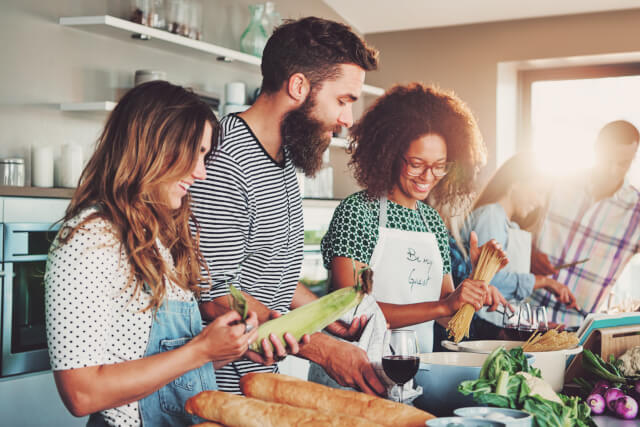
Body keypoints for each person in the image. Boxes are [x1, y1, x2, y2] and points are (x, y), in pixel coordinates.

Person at [45, 81, 260, 427]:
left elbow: (167, 368)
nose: (201, 173)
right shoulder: (89, 238)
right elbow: (81, 394)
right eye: (196, 152)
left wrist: (229, 346)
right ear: (155, 146)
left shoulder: (161, 238)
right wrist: (200, 350)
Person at [189, 17, 385, 395]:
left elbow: (267, 269)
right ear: (299, 86)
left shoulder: (281, 160)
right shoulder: (225, 161)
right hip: (214, 393)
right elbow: (216, 295)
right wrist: (325, 350)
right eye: (343, 100)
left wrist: (326, 315)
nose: (347, 119)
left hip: (257, 385)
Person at [320, 83, 509, 355]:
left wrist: (474, 287)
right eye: (417, 164)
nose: (428, 176)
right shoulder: (358, 213)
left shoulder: (432, 222)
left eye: (439, 165)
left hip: (412, 371)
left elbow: (445, 316)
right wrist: (444, 306)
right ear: (388, 154)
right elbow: (349, 311)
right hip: (351, 372)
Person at [528, 120, 640, 327]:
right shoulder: (558, 182)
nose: (612, 170)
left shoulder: (636, 211)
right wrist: (527, 253)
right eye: (607, 159)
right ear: (596, 149)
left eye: (622, 163)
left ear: (633, 160)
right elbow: (516, 225)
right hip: (522, 315)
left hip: (577, 329)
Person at [458, 152, 578, 338]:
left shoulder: (508, 224)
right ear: (515, 183)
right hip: (480, 329)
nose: (539, 202)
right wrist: (544, 281)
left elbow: (505, 296)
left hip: (496, 327)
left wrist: (531, 323)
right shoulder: (491, 216)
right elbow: (487, 282)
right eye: (538, 191)